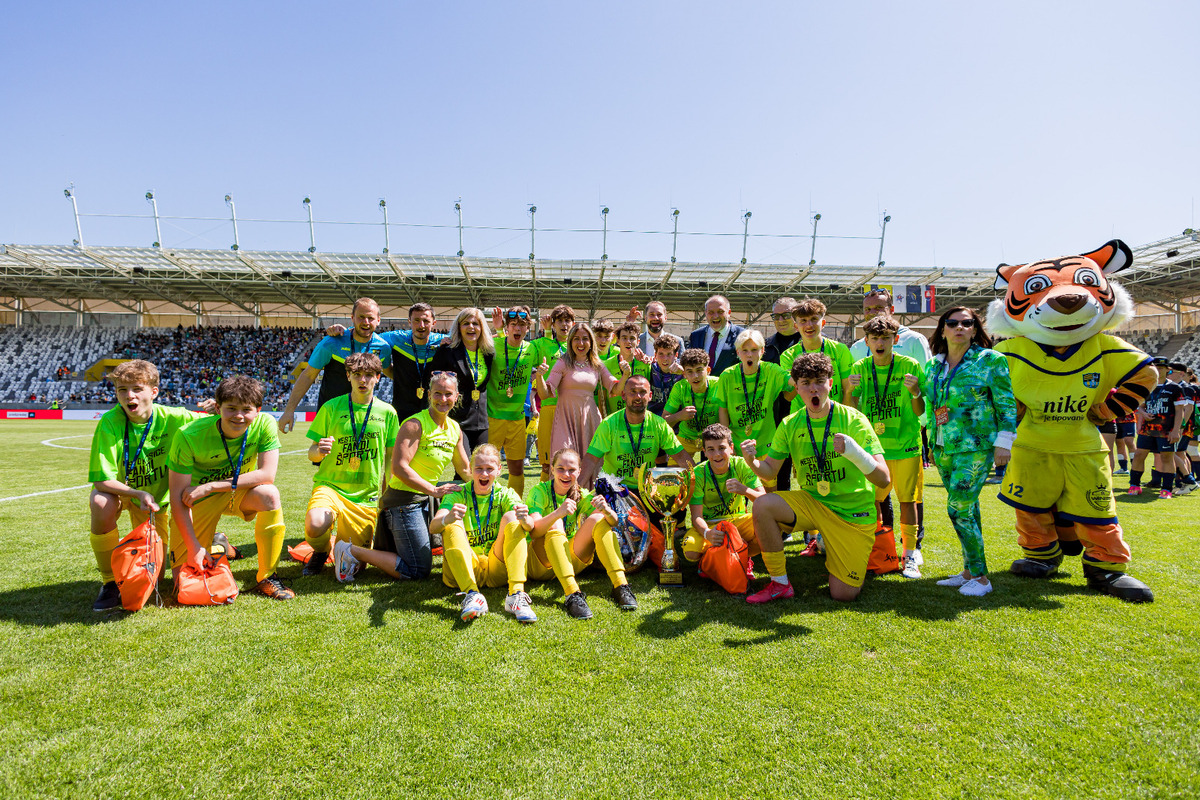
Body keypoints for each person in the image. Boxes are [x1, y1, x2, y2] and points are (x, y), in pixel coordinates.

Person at [740, 353, 890, 603]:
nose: (813, 389)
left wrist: (854, 452)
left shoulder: (853, 419)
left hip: (851, 512)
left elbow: (884, 479)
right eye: (806, 383)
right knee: (763, 505)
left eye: (820, 381)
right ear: (796, 386)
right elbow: (769, 471)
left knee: (842, 595)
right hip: (813, 502)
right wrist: (751, 461)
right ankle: (779, 583)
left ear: (831, 383)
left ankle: (831, 546)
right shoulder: (790, 424)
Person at [87, 360, 209, 611]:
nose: (129, 396)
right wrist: (136, 492)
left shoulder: (174, 417)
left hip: (163, 500)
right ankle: (110, 583)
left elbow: (216, 419)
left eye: (136, 388)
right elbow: (101, 480)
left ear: (153, 392)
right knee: (100, 500)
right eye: (122, 389)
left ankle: (219, 543)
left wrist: (217, 406)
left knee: (160, 578)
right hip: (128, 494)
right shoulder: (110, 421)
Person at [916, 307, 1016, 597]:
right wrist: (933, 443)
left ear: (975, 329)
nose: (959, 327)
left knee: (957, 507)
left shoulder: (991, 360)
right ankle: (969, 570)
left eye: (967, 323)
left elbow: (1007, 403)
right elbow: (933, 405)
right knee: (969, 508)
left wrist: (1004, 441)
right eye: (953, 323)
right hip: (944, 445)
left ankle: (982, 578)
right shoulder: (933, 366)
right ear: (943, 329)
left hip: (978, 445)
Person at [168, 375, 293, 600]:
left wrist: (211, 486)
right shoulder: (188, 435)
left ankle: (268, 576)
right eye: (231, 408)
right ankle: (219, 546)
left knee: (269, 494)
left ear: (257, 410)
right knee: (182, 582)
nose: (238, 416)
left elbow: (267, 475)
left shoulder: (265, 423)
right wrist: (194, 546)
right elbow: (177, 498)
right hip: (197, 500)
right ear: (218, 407)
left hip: (231, 492)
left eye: (246, 409)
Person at [352, 370, 470, 581]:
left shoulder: (455, 429)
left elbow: (465, 470)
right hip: (404, 501)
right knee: (417, 569)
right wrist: (434, 490)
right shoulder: (415, 425)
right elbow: (399, 467)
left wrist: (490, 484)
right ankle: (352, 551)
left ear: (457, 395)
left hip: (426, 499)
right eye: (437, 393)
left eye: (448, 394)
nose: (443, 399)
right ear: (429, 395)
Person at [849, 288, 934, 549]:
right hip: (874, 446)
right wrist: (851, 392)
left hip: (906, 441)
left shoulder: (911, 357)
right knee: (873, 500)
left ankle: (911, 550)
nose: (880, 343)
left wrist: (916, 394)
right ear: (867, 341)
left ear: (895, 339)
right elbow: (853, 409)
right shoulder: (858, 364)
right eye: (874, 338)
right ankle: (879, 548)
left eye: (885, 337)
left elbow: (922, 405)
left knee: (909, 499)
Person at [300, 352, 399, 576]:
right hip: (331, 486)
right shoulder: (331, 408)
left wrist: (388, 495)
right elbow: (312, 454)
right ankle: (321, 551)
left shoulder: (388, 412)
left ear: (378, 377)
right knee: (315, 524)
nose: (362, 380)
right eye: (356, 375)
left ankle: (343, 544)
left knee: (355, 566)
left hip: (366, 495)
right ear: (348, 377)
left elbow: (391, 458)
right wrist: (320, 450)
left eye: (368, 375)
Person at [431, 444, 537, 624]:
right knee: (451, 523)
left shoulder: (505, 494)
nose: (484, 474)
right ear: (471, 469)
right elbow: (433, 527)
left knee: (512, 516)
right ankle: (472, 594)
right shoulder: (458, 493)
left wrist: (525, 520)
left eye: (489, 469)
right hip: (464, 569)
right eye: (479, 469)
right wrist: (447, 518)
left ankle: (516, 594)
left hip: (496, 567)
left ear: (499, 470)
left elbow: (530, 527)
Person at [525, 447, 636, 617]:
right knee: (556, 525)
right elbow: (534, 532)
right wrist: (557, 513)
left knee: (599, 518)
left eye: (571, 470)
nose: (566, 474)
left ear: (579, 471)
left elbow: (613, 522)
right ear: (552, 470)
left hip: (568, 561)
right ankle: (572, 594)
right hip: (540, 565)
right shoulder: (539, 491)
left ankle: (620, 585)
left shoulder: (581, 494)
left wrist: (606, 510)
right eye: (560, 469)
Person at [278, 297, 391, 434]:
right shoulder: (331, 342)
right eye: (361, 317)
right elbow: (308, 376)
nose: (366, 322)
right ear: (352, 318)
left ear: (378, 320)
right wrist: (289, 410)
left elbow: (388, 371)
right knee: (322, 454)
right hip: (331, 414)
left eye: (370, 318)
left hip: (364, 416)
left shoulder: (383, 348)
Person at [580, 375, 694, 488]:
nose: (638, 397)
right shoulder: (609, 424)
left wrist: (698, 480)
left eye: (642, 392)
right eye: (632, 392)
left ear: (650, 396)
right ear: (623, 395)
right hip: (614, 487)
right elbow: (591, 459)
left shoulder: (659, 425)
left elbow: (681, 456)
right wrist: (575, 491)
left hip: (647, 488)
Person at [715, 329, 794, 488]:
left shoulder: (771, 370)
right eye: (744, 351)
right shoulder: (727, 376)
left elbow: (793, 383)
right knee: (738, 491)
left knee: (769, 491)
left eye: (754, 350)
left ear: (762, 351)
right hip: (738, 445)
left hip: (766, 444)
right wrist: (726, 442)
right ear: (738, 352)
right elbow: (723, 410)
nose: (749, 355)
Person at [683, 424, 765, 569]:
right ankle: (713, 560)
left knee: (769, 525)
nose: (717, 455)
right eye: (711, 450)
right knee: (690, 551)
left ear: (731, 448)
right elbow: (696, 517)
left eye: (722, 448)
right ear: (704, 452)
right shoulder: (698, 474)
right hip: (711, 525)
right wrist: (708, 533)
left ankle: (742, 556)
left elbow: (764, 501)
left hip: (738, 522)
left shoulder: (741, 464)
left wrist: (745, 490)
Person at [486, 306, 547, 497]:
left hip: (518, 419)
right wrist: (495, 331)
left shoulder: (531, 349)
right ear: (507, 326)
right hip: (492, 418)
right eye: (513, 324)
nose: (518, 329)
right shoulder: (493, 345)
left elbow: (553, 350)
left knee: (517, 470)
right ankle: (486, 505)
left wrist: (548, 329)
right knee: (486, 469)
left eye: (522, 325)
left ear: (528, 328)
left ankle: (514, 506)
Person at [541, 322, 618, 458]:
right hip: (565, 421)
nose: (581, 343)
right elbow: (544, 393)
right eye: (576, 338)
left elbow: (615, 388)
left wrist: (625, 375)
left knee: (590, 465)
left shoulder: (597, 364)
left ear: (591, 342)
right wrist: (539, 376)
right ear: (570, 341)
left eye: (585, 339)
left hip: (590, 420)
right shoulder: (562, 362)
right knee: (564, 460)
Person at [430, 307, 495, 453]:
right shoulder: (447, 350)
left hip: (482, 420)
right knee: (464, 467)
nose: (471, 327)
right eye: (466, 323)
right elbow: (432, 379)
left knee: (480, 463)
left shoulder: (488, 352)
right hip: (457, 419)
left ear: (481, 328)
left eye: (475, 323)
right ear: (459, 327)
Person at [1127, 357, 1186, 498]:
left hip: (1166, 430)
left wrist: (1176, 430)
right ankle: (1134, 485)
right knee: (1139, 455)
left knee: (1167, 457)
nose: (1158, 369)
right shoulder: (1147, 385)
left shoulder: (1174, 388)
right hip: (1147, 429)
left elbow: (1180, 411)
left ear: (1168, 370)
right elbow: (1138, 406)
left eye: (1161, 367)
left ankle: (1166, 489)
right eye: (1155, 367)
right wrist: (1143, 413)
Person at [764, 297, 801, 491]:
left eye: (786, 315)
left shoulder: (810, 342)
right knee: (780, 471)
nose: (781, 320)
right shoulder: (766, 346)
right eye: (776, 316)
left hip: (806, 412)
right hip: (776, 416)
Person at [663, 348, 721, 457]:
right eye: (690, 372)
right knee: (674, 472)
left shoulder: (719, 385)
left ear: (708, 370)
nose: (695, 376)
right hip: (687, 437)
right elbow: (664, 422)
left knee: (715, 471)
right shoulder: (680, 387)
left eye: (699, 370)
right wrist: (679, 416)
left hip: (714, 437)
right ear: (684, 374)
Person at [601, 322, 653, 414]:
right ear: (618, 341)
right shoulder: (607, 365)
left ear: (638, 342)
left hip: (639, 418)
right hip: (615, 419)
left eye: (632, 338)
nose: (628, 342)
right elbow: (603, 398)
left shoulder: (645, 364)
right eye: (624, 338)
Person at [688, 295, 744, 376]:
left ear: (729, 313)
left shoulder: (742, 335)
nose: (715, 316)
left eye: (720, 312)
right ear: (706, 314)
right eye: (711, 312)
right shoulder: (696, 336)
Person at [648, 334, 685, 418]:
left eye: (669, 354)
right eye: (661, 354)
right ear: (655, 355)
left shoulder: (683, 370)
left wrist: (684, 373)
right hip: (653, 419)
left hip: (677, 420)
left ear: (676, 355)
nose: (665, 358)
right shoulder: (650, 369)